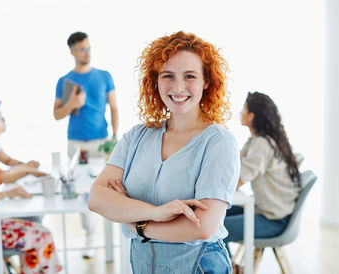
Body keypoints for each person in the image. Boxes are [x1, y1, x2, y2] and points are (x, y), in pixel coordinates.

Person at [88, 31, 240, 273]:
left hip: (199, 264)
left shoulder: (219, 142)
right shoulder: (137, 136)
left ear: (207, 81)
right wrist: (156, 213)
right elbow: (97, 198)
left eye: (189, 76)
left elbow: (203, 226)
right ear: (155, 81)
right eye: (168, 76)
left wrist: (134, 222)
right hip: (143, 262)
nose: (178, 87)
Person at [0, 105, 62, 273]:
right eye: (1, 119)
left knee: (39, 231)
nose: (4, 122)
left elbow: (2, 177)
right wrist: (6, 193)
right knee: (42, 235)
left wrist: (28, 170)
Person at [53, 31, 119, 258]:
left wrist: (115, 136)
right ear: (72, 51)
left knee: (109, 188)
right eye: (82, 49)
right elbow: (57, 115)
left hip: (102, 141)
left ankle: (112, 244)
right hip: (76, 144)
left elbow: (114, 106)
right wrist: (73, 102)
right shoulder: (64, 81)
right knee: (83, 191)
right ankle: (90, 239)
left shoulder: (104, 75)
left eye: (89, 48)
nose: (87, 52)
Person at [223, 92, 301, 264]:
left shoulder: (261, 145)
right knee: (217, 216)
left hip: (274, 220)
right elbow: (234, 165)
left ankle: (230, 267)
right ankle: (232, 266)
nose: (240, 114)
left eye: (243, 110)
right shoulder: (256, 140)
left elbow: (237, 180)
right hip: (267, 212)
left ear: (251, 116)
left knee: (216, 226)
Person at [0, 97, 44, 178]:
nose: (4, 121)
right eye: (1, 119)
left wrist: (27, 166)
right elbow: (1, 176)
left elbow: (7, 160)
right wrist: (27, 169)